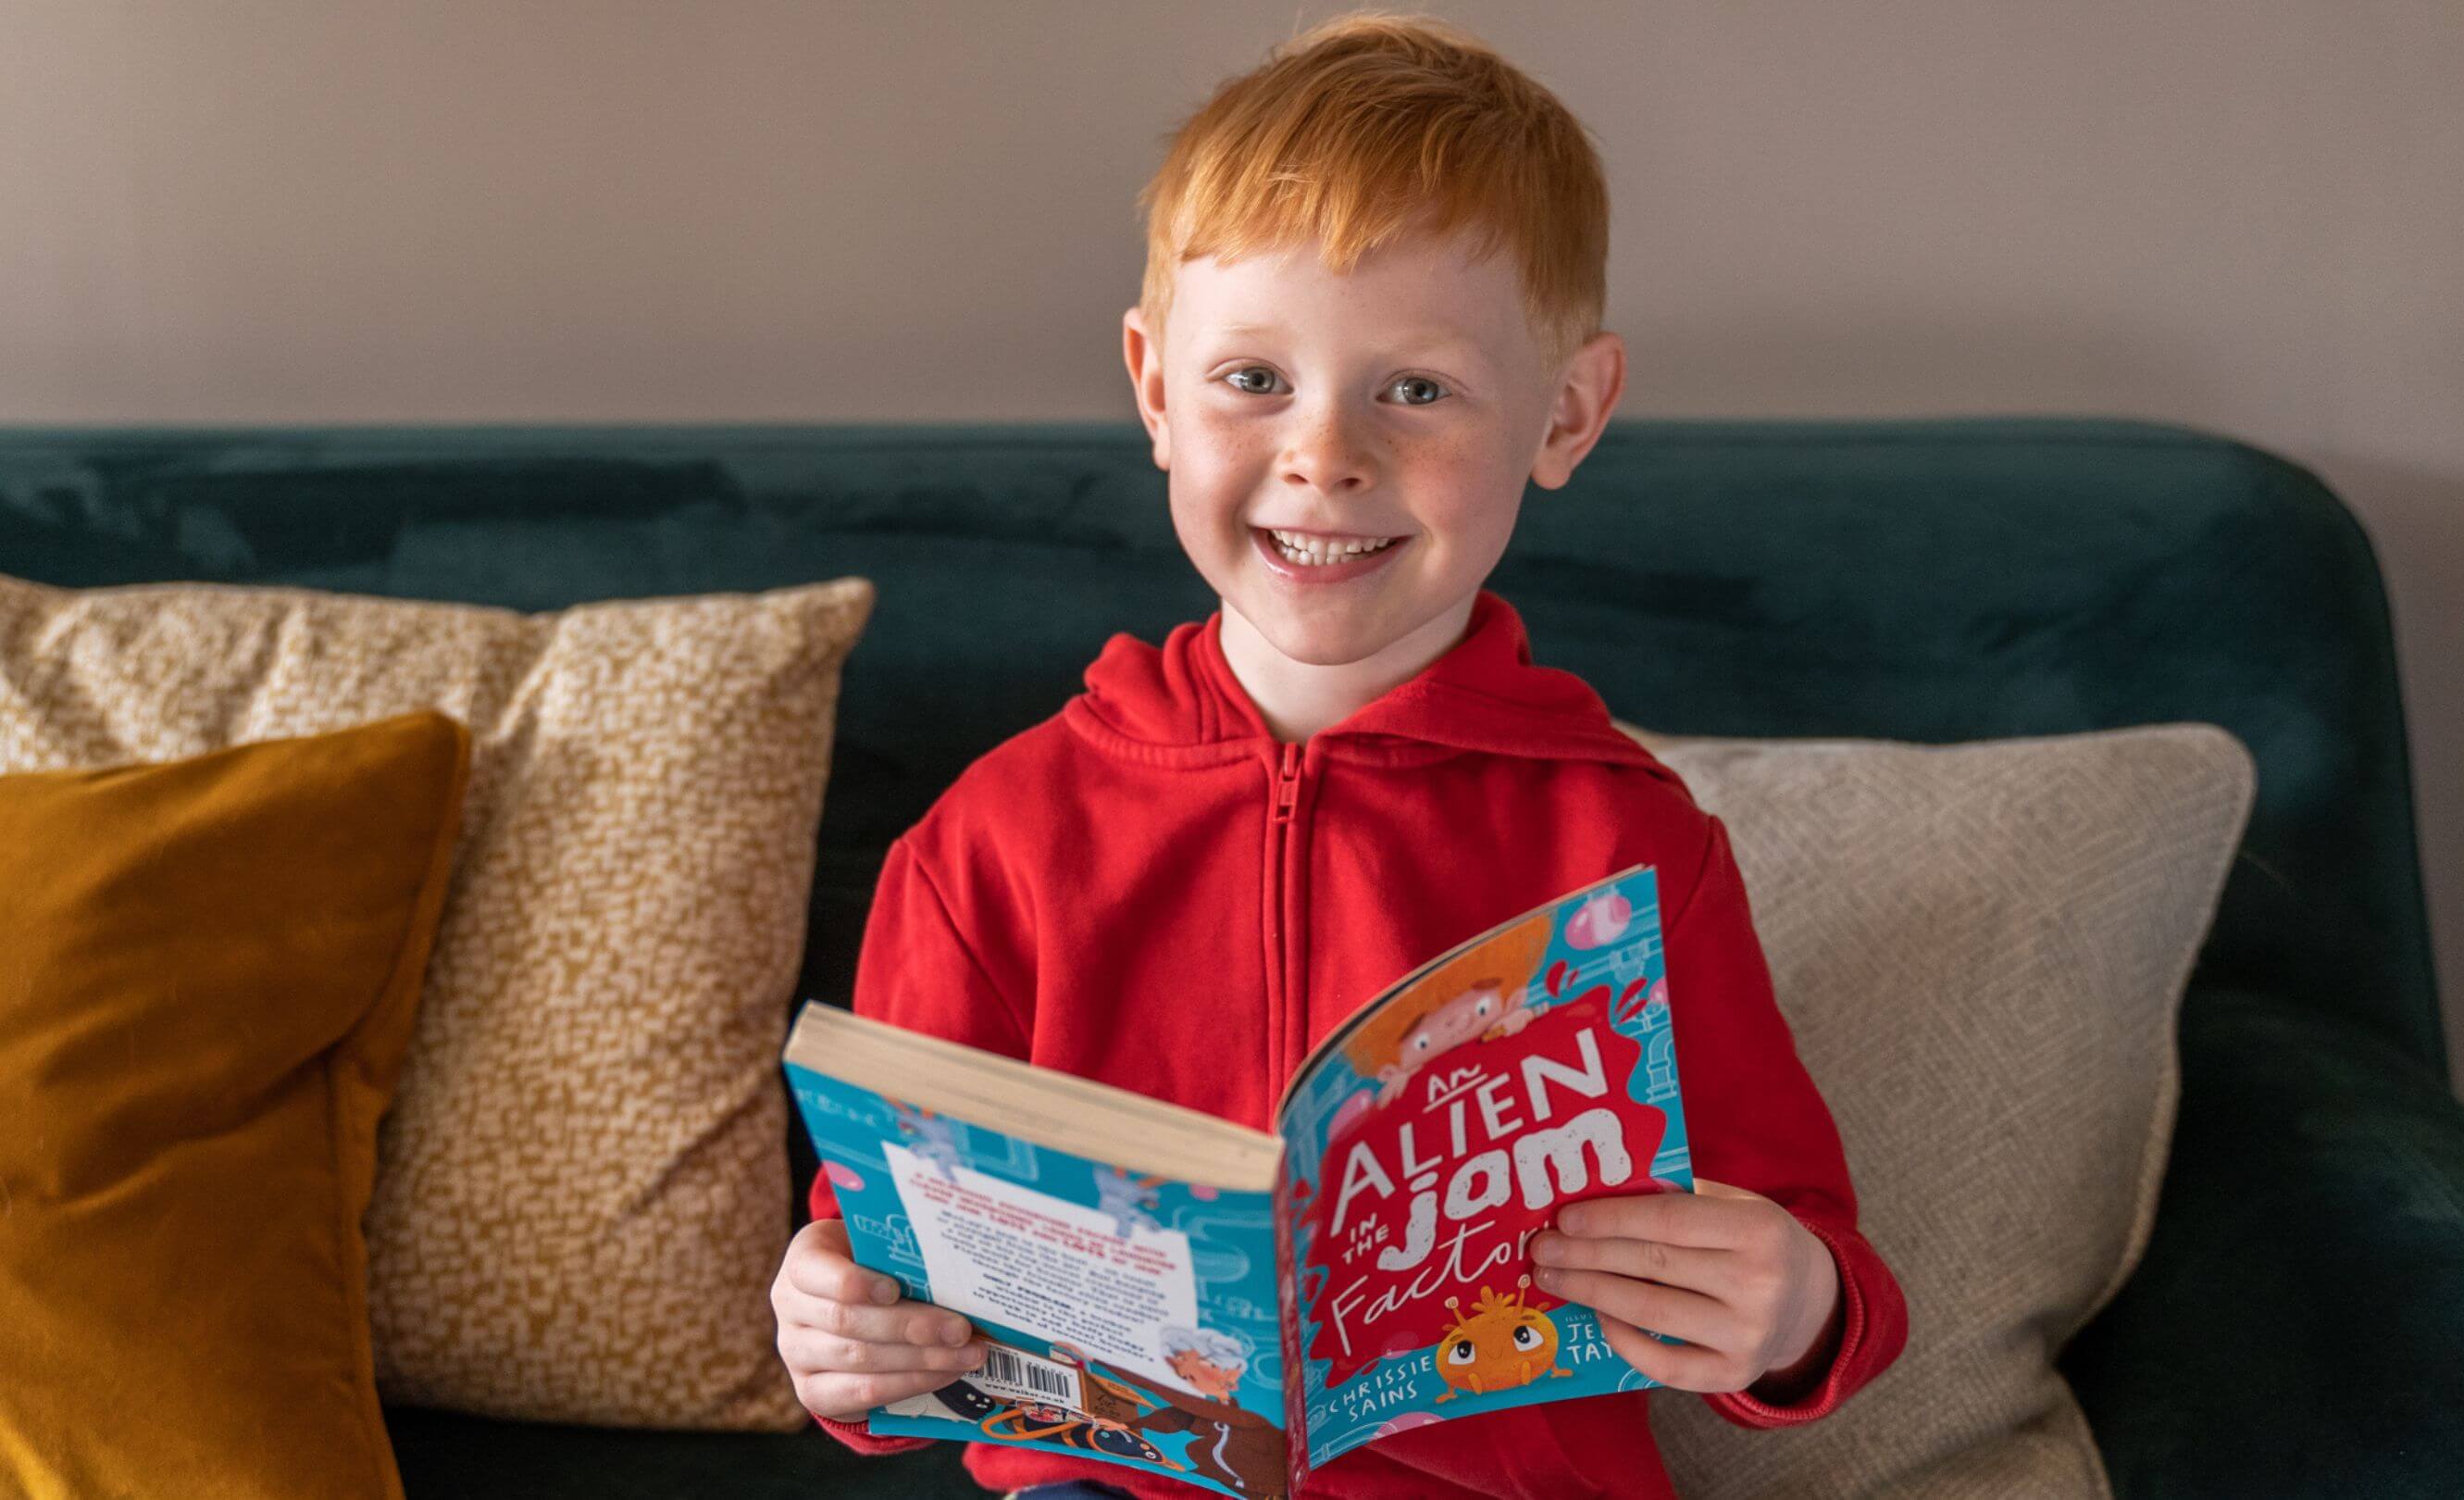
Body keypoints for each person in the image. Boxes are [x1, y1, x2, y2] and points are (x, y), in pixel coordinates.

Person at [767, 11, 1910, 1498]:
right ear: (1155, 387)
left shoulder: (1629, 847)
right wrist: (843, 1338)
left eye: (1416, 390)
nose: (1325, 455)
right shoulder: (994, 840)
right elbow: (884, 1262)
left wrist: (1797, 1306)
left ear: (1567, 412)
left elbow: (1810, 1253)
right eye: (1255, 379)